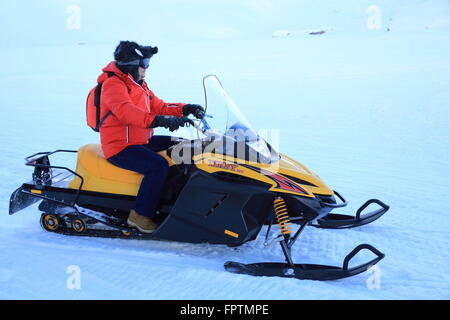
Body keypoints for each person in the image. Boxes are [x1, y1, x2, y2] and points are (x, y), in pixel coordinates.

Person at [96, 40, 205, 233]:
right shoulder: (113, 85)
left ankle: (176, 201)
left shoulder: (139, 85)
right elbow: (126, 112)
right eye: (144, 64)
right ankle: (139, 216)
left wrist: (184, 109)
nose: (146, 69)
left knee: (184, 147)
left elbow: (159, 106)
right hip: (120, 147)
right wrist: (160, 121)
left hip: (140, 141)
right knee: (157, 166)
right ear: (131, 66)